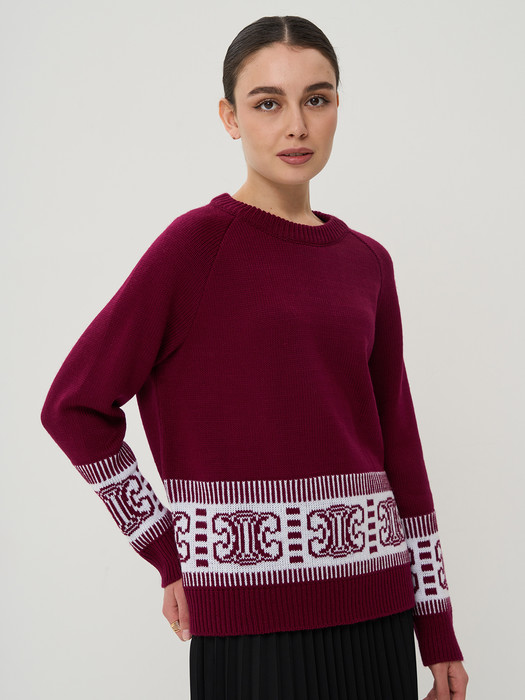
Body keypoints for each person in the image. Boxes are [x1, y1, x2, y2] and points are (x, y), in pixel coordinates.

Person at [41, 14, 468, 700]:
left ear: (337, 108)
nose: (295, 125)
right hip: (249, 624)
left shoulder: (367, 263)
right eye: (268, 103)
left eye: (316, 99)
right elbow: (73, 408)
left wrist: (437, 627)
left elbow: (401, 448)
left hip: (379, 611)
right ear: (230, 118)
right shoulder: (195, 248)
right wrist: (165, 549)